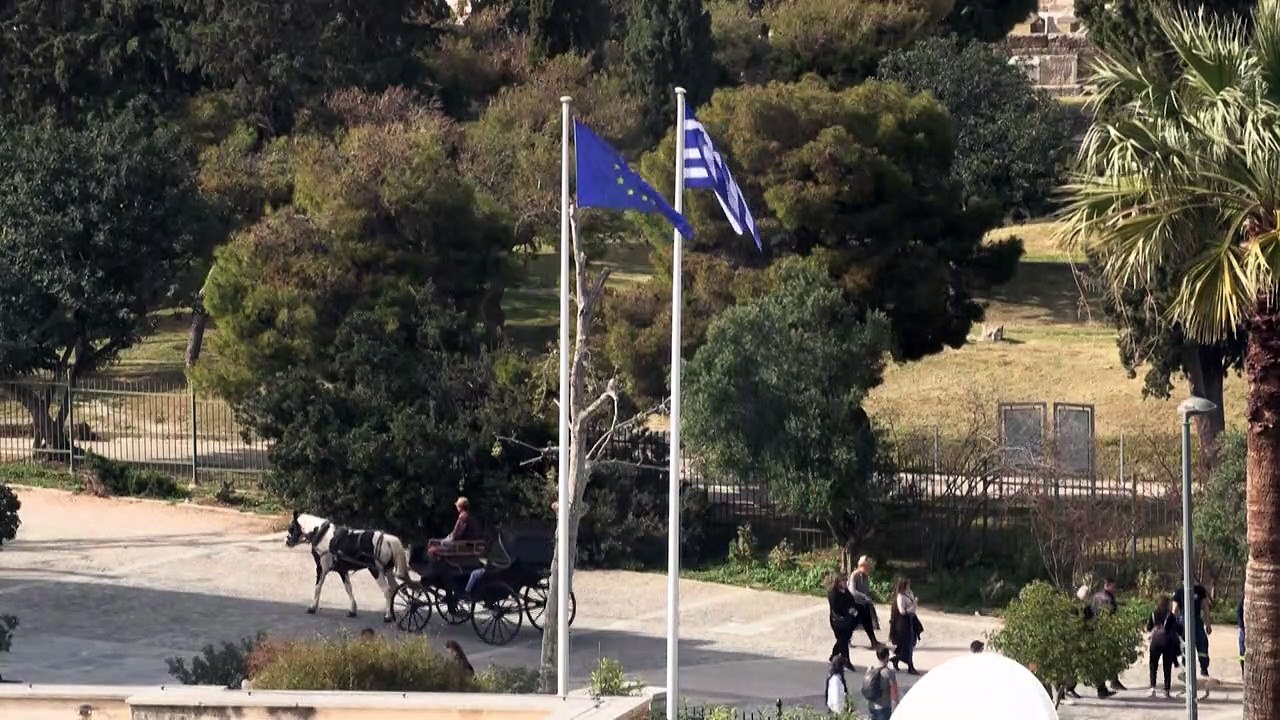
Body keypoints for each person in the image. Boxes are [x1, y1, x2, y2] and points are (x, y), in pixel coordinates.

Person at [1090, 578, 1127, 691]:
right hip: (1107, 630)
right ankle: (1111, 682)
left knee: (1102, 657)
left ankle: (1108, 682)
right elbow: (1112, 613)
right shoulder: (1108, 598)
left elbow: (1089, 610)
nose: (1115, 589)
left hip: (1096, 628)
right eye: (1113, 586)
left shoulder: (1095, 596)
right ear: (1108, 585)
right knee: (1110, 657)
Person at [1172, 581, 1212, 680]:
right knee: (1200, 644)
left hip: (1186, 621)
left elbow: (1174, 610)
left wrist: (1172, 625)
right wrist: (1208, 624)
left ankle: (1188, 670)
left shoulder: (1180, 591)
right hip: (1190, 620)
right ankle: (1202, 669)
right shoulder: (1196, 590)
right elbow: (1205, 608)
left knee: (1187, 645)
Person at [1146, 596, 1180, 698]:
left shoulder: (1153, 613)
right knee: (1167, 667)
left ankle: (1152, 688)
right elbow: (1177, 629)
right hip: (1168, 643)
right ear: (1167, 604)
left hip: (1155, 642)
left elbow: (1149, 627)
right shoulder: (1171, 616)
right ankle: (1167, 690)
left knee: (1153, 666)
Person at [848, 556, 882, 649]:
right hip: (855, 603)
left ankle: (873, 641)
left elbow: (866, 590)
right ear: (861, 566)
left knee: (868, 622)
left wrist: (872, 596)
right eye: (867, 567)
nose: (869, 569)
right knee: (853, 623)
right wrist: (865, 597)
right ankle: (847, 639)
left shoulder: (866, 576)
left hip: (863, 604)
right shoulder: (854, 575)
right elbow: (852, 591)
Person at [888, 576, 920, 675]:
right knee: (907, 645)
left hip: (910, 620)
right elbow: (902, 611)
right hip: (903, 623)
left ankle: (896, 659)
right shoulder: (900, 597)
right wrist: (913, 605)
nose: (909, 586)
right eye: (907, 584)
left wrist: (914, 603)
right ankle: (910, 666)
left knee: (909, 644)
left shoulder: (909, 593)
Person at [828, 573, 858, 670]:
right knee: (843, 640)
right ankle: (846, 660)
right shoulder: (833, 593)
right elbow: (835, 608)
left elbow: (852, 601)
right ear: (838, 582)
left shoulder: (846, 592)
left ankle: (834, 655)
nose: (845, 582)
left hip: (847, 620)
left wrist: (852, 609)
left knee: (843, 639)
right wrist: (847, 610)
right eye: (843, 581)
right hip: (837, 620)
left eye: (846, 580)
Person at [861, 646, 899, 720]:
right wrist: (897, 705)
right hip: (884, 707)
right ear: (887, 657)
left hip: (871, 706)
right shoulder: (889, 673)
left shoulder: (870, 670)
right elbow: (894, 692)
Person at [1237, 594, 1245, 675]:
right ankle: (1243, 670)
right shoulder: (1243, 599)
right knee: (1242, 651)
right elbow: (1238, 612)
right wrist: (1241, 626)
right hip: (1244, 629)